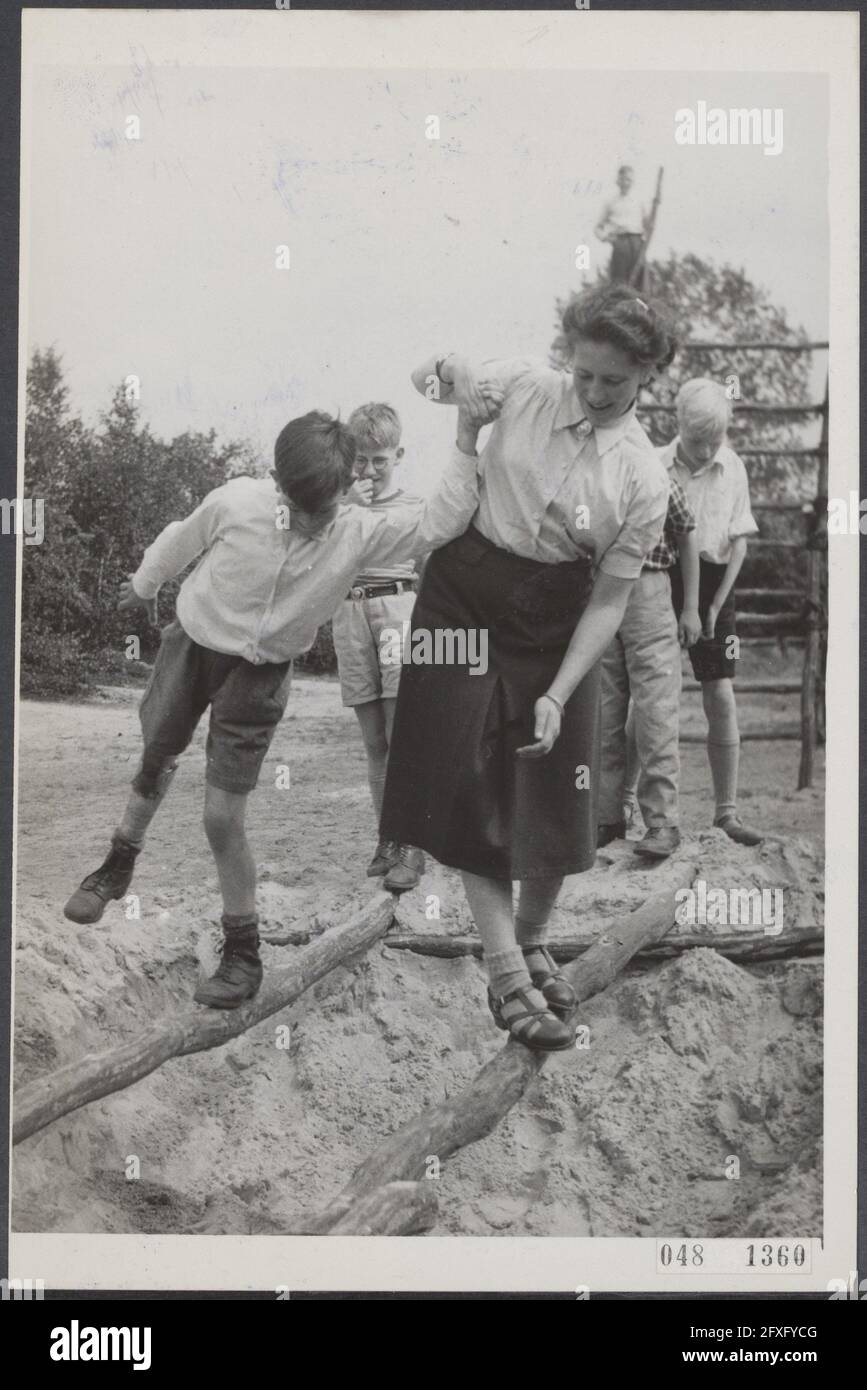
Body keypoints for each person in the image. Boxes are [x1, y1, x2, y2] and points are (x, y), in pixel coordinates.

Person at [63, 409, 485, 1008]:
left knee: (220, 816)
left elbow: (442, 520)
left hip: (259, 676)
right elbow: (183, 536)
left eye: (327, 508)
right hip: (193, 645)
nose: (313, 524)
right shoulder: (238, 501)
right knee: (156, 755)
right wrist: (143, 582)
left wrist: (467, 441)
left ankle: (243, 951)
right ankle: (118, 861)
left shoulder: (358, 531)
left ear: (349, 489)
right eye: (301, 507)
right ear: (276, 481)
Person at [379, 283, 677, 1052]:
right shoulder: (522, 384)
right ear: (566, 357)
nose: (595, 392)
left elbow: (609, 601)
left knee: (555, 786)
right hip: (459, 599)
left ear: (647, 375)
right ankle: (505, 971)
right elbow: (427, 381)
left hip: (555, 616)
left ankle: (533, 937)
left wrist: (557, 691)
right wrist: (450, 372)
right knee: (467, 781)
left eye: (615, 380)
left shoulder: (643, 477)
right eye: (584, 374)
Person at [655, 378, 762, 845]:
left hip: (718, 582)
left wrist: (713, 606)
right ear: (679, 426)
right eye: (698, 442)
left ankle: (727, 812)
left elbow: (738, 539)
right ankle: (635, 813)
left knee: (720, 693)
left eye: (713, 442)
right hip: (664, 578)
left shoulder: (732, 466)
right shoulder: (657, 465)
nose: (705, 451)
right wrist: (684, 606)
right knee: (653, 697)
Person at [331, 402, 427, 890]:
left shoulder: (414, 507)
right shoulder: (340, 505)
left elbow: (432, 568)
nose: (369, 470)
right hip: (349, 613)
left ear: (398, 455)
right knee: (374, 741)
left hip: (397, 611)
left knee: (403, 733)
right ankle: (387, 837)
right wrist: (348, 507)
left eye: (380, 460)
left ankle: (411, 843)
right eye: (361, 460)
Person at [597, 473, 701, 858]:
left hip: (649, 589)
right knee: (604, 712)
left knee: (655, 709)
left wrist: (690, 606)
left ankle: (662, 821)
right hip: (601, 592)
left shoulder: (657, 477)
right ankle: (606, 818)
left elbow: (688, 532)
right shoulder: (591, 476)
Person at [594, 165, 649, 287]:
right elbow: (597, 228)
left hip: (637, 242)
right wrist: (606, 238)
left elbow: (648, 224)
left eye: (629, 180)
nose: (626, 183)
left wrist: (644, 240)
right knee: (620, 282)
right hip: (620, 243)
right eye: (623, 179)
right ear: (618, 181)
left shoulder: (639, 201)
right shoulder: (611, 202)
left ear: (633, 182)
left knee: (640, 282)